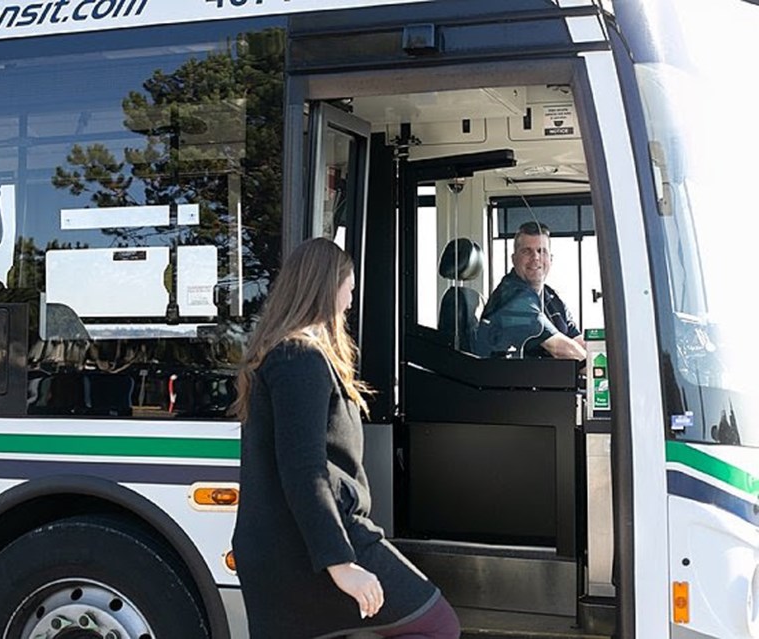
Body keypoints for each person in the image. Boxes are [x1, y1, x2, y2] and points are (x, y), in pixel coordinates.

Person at [231, 237, 460, 639]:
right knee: (437, 625)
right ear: (325, 286)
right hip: (307, 550)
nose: (350, 302)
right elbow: (305, 471)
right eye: (349, 289)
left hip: (293, 547)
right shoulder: (298, 358)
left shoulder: (289, 354)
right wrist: (340, 564)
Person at [476, 221, 586, 360]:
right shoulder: (512, 297)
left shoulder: (550, 297)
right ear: (514, 259)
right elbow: (561, 349)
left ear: (550, 259)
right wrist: (603, 368)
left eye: (541, 251)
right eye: (526, 251)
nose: (535, 257)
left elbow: (577, 342)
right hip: (508, 379)